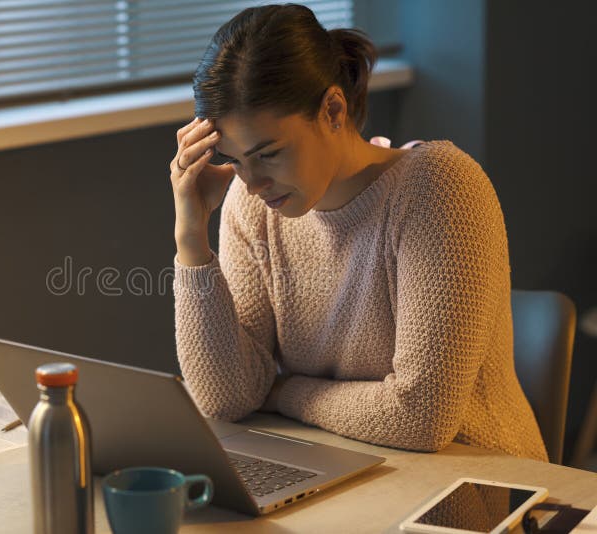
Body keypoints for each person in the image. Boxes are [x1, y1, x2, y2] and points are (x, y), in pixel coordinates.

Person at [168, 3, 548, 462]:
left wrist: (284, 392)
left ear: (332, 109)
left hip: (480, 482)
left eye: (268, 153)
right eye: (235, 159)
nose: (252, 182)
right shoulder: (254, 207)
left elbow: (420, 416)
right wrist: (191, 240)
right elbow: (226, 398)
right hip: (340, 462)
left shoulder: (440, 189)